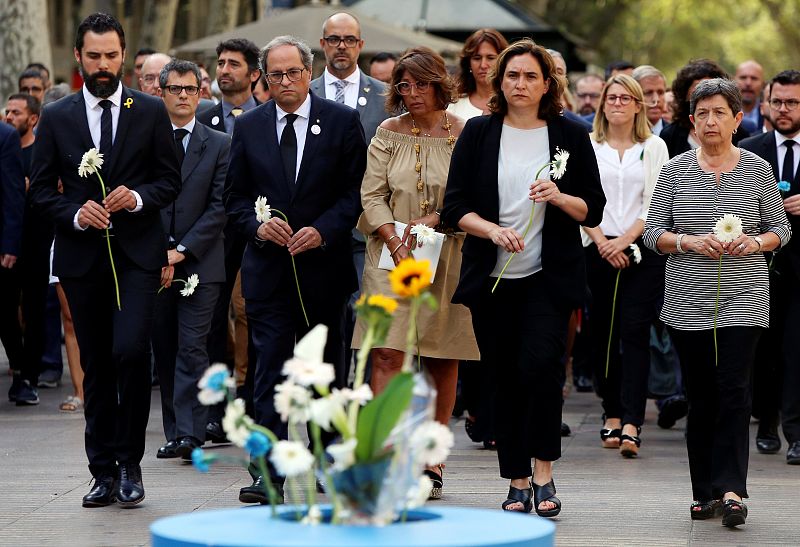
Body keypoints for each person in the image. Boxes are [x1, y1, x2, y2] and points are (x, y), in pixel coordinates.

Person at [442, 39, 605, 517]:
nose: (520, 84)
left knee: (541, 370)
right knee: (502, 377)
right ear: (498, 79)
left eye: (531, 76)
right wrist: (492, 230)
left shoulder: (570, 134)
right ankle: (515, 479)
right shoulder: (478, 132)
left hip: (548, 279)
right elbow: (454, 208)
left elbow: (591, 207)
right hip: (491, 277)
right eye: (512, 75)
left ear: (547, 83)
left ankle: (544, 473)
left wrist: (557, 196)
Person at [29, 12, 181, 508]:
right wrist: (76, 212)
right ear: (78, 57)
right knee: (95, 364)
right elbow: (39, 193)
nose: (103, 64)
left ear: (123, 54)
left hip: (138, 256)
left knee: (131, 353)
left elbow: (168, 181)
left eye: (111, 55)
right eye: (93, 56)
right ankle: (102, 471)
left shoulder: (151, 110)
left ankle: (131, 462)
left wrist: (135, 198)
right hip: (82, 258)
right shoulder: (57, 115)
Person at [642, 78, 790, 528]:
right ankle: (703, 490)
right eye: (702, 113)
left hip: (744, 302)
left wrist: (754, 242)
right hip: (688, 301)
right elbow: (652, 233)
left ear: (737, 118)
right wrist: (687, 241)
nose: (711, 121)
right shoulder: (675, 170)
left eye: (719, 112)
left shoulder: (758, 169)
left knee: (734, 391)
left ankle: (732, 491)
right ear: (691, 121)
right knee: (701, 395)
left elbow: (780, 230)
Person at [224, 35, 366, 505]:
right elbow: (235, 200)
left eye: (293, 73)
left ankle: (327, 461)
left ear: (309, 73)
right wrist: (258, 228)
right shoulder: (249, 127)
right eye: (275, 74)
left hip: (323, 270)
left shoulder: (342, 122)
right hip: (267, 271)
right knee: (270, 370)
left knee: (325, 370)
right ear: (264, 78)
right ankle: (267, 469)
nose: (284, 82)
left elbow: (354, 194)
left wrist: (323, 231)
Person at [354, 46, 479, 499]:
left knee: (440, 354)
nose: (412, 94)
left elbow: (470, 194)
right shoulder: (388, 131)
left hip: (447, 253)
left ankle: (432, 459)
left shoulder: (464, 132)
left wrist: (427, 226)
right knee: (386, 351)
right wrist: (394, 238)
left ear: (439, 83)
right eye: (404, 85)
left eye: (421, 84)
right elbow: (372, 194)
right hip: (389, 256)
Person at [583, 74, 669, 457]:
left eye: (625, 98)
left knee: (634, 332)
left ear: (638, 105)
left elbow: (656, 202)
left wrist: (625, 240)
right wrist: (603, 241)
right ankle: (611, 412)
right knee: (603, 333)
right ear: (602, 104)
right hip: (595, 248)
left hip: (641, 252)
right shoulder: (588, 144)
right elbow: (579, 197)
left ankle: (633, 420)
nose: (617, 103)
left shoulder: (654, 147)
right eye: (611, 97)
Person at [152, 59, 229, 460]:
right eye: (174, 89)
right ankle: (174, 429)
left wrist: (180, 251)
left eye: (190, 89)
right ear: (160, 92)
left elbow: (220, 206)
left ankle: (192, 432)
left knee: (193, 346)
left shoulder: (219, 143)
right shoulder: (146, 140)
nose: (183, 96)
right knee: (163, 347)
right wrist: (158, 251)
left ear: (202, 94)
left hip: (201, 261)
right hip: (151, 262)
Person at [197, 37, 262, 443]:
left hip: (256, 232)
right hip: (212, 236)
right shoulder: (204, 117)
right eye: (220, 63)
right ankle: (216, 410)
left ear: (254, 74)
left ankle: (252, 401)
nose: (224, 70)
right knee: (211, 321)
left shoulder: (268, 117)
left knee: (252, 316)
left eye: (234, 64)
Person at [739, 70, 800, 464]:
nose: (783, 109)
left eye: (792, 102)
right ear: (766, 103)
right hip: (757, 266)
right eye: (777, 101)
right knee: (762, 350)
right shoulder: (749, 148)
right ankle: (765, 423)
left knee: (797, 349)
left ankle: (795, 433)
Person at [3, 93, 51, 406]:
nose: (9, 116)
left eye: (16, 112)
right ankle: (18, 363)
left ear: (32, 118)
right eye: (7, 111)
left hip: (36, 240)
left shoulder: (41, 151)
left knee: (34, 311)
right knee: (6, 310)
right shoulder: (6, 143)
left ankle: (29, 375)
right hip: (10, 240)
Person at [661, 59, 753, 159]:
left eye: (711, 89)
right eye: (698, 90)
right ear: (685, 95)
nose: (704, 94)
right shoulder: (670, 135)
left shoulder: (741, 135)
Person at [0, 122, 27, 400]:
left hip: (1, 247)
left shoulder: (5, 137)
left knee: (6, 315)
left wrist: (10, 243)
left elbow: (12, 194)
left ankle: (20, 372)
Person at [448, 28, 508, 119]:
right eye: (477, 58)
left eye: (490, 58)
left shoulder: (513, 103)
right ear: (468, 63)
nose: (483, 65)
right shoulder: (453, 105)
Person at [632, 65, 669, 135]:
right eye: (648, 93)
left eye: (660, 92)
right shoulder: (621, 136)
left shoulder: (677, 135)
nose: (656, 99)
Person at [735, 60, 764, 131]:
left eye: (754, 78)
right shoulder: (724, 112)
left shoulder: (770, 115)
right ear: (734, 81)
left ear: (762, 84)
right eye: (743, 77)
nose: (748, 83)